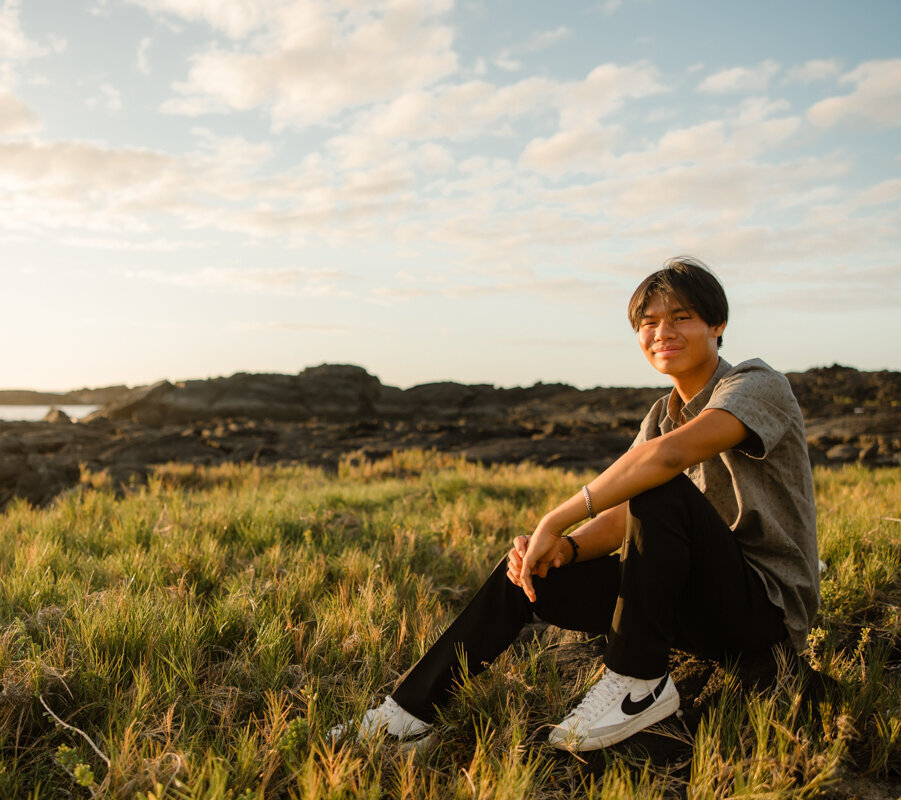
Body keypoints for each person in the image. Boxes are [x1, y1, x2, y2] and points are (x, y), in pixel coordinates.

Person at [330, 256, 820, 753]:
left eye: (681, 317)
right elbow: (622, 515)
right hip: (687, 606)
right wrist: (563, 548)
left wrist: (556, 517)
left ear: (718, 325)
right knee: (528, 571)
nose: (662, 332)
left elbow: (665, 462)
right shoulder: (660, 416)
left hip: (764, 611)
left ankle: (636, 682)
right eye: (648, 323)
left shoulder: (758, 383)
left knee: (657, 482)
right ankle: (409, 713)